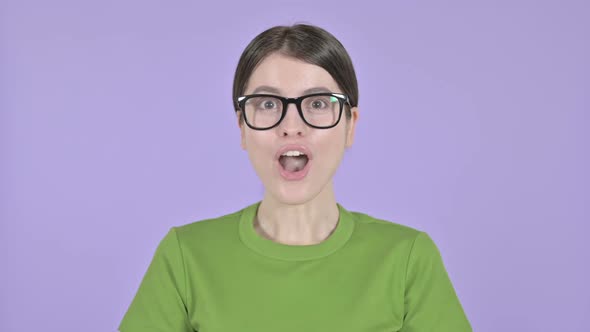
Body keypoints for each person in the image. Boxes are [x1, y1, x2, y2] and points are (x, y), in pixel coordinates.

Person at [118, 24, 472, 332]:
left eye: (317, 103)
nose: (291, 126)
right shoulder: (184, 257)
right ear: (242, 128)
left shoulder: (407, 259)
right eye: (268, 104)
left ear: (351, 125)